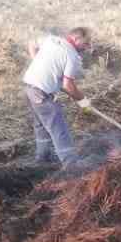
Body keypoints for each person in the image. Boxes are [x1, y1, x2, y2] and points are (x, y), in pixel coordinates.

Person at [22, 27, 92, 165]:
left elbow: (31, 43)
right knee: (58, 127)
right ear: (76, 39)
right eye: (86, 43)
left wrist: (37, 62)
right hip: (40, 92)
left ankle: (43, 158)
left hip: (28, 86)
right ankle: (71, 165)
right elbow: (68, 86)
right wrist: (84, 102)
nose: (87, 47)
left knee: (41, 124)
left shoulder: (51, 40)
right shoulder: (72, 57)